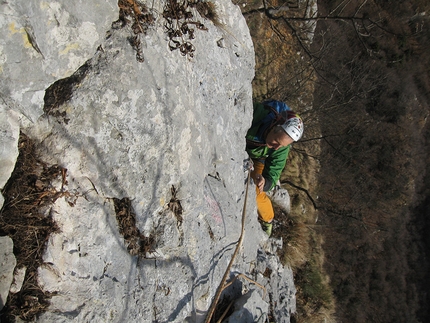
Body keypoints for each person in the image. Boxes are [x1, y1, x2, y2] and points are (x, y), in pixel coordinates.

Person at [245, 100, 304, 236]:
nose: (277, 147)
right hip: (243, 147)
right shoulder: (256, 114)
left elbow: (274, 171)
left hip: (257, 158)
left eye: (282, 145)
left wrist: (265, 183)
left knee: (257, 192)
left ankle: (268, 219)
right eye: (276, 141)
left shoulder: (281, 148)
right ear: (274, 125)